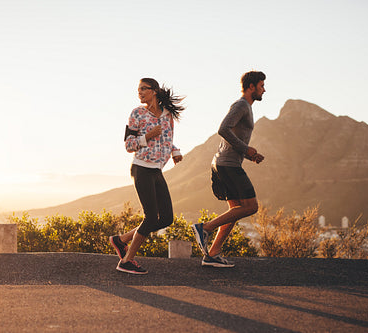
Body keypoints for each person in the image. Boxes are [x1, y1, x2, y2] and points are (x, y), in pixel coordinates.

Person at [109, 78, 184, 274]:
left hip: (157, 170)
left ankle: (121, 240)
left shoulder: (168, 116)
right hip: (141, 168)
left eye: (144, 89)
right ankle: (127, 261)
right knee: (151, 217)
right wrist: (148, 136)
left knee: (166, 218)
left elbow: (167, 140)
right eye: (138, 89)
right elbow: (129, 145)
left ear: (155, 91)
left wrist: (175, 151)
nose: (140, 92)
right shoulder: (137, 114)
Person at [192, 71, 266, 268]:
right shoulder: (241, 105)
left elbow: (233, 137)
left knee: (234, 211)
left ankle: (212, 254)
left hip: (226, 162)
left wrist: (250, 154)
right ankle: (204, 228)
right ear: (251, 87)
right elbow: (223, 128)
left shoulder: (246, 107)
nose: (264, 90)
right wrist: (245, 148)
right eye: (261, 86)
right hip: (227, 164)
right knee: (251, 206)